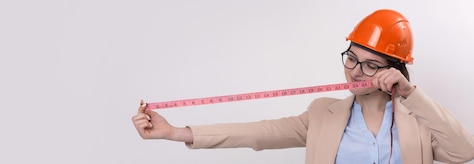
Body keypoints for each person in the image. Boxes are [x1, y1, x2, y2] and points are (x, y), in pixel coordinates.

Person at [131, 9, 474, 164]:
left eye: (371, 64)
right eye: (351, 57)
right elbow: (257, 133)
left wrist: (411, 96)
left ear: (395, 71)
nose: (355, 71)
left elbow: (464, 152)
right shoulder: (322, 114)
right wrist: (176, 132)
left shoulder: (420, 121)